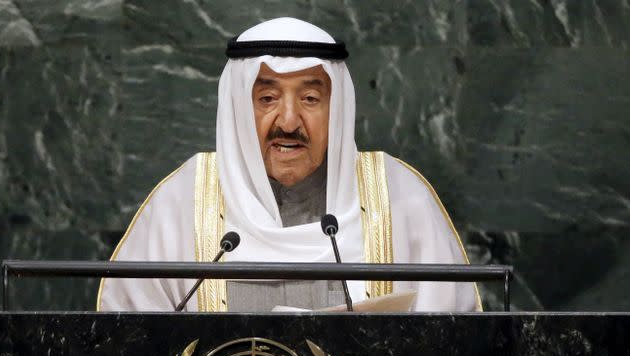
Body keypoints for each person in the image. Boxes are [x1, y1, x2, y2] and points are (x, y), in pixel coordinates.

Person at [97, 17, 481, 313]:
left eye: (311, 98)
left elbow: (450, 355)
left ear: (338, 109)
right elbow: (128, 349)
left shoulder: (399, 199)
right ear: (239, 108)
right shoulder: (182, 202)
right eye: (267, 98)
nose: (288, 122)